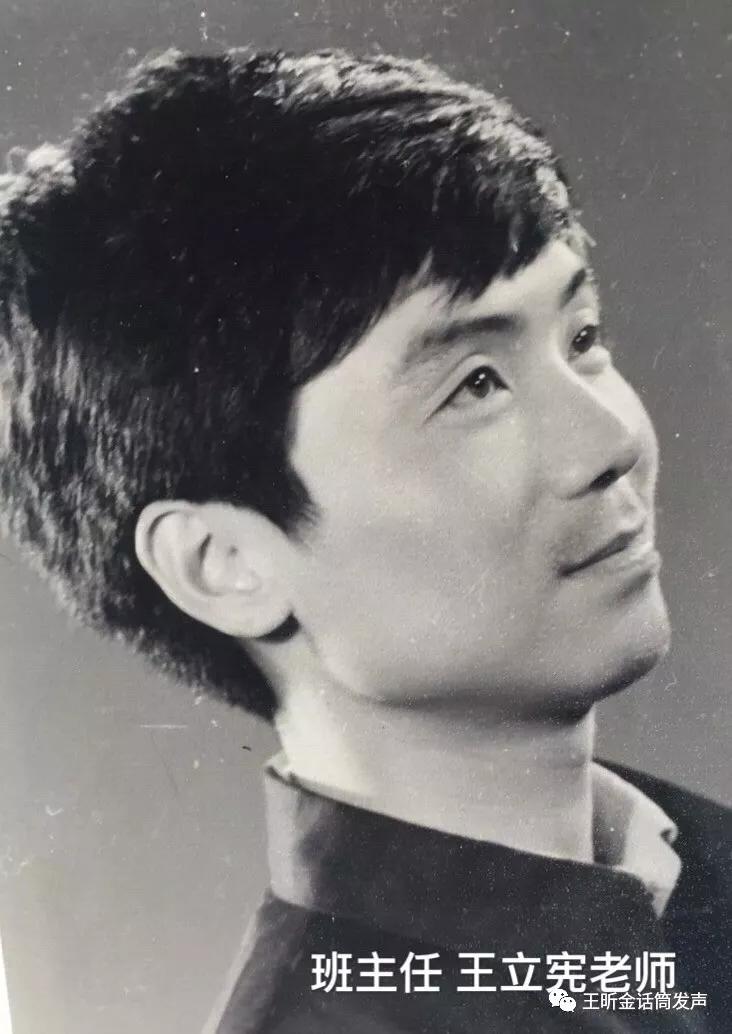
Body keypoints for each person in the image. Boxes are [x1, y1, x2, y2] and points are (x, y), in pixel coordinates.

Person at [0, 46, 728, 1034]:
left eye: (582, 338)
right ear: (226, 564)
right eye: (474, 385)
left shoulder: (696, 875)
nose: (613, 440)